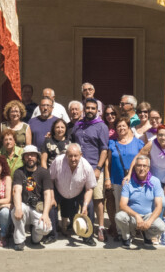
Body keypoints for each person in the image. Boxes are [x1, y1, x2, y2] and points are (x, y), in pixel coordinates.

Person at [128, 124, 165, 245]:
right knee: (158, 203)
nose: (163, 138)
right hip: (157, 176)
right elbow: (139, 157)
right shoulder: (152, 143)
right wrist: (130, 173)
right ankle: (155, 232)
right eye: (161, 134)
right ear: (157, 134)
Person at [71, 98, 109, 242]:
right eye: (88, 108)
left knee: (97, 198)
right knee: (82, 198)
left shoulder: (101, 127)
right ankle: (81, 226)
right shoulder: (78, 125)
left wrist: (99, 168)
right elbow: (71, 141)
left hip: (94, 167)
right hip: (78, 168)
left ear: (97, 110)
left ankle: (99, 227)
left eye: (93, 108)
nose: (90, 111)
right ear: (84, 109)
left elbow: (104, 149)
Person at [104, 117, 144, 238]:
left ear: (128, 127)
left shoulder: (138, 143)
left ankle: (134, 229)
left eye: (123, 126)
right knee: (120, 207)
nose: (121, 128)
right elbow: (107, 163)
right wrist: (107, 179)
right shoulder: (112, 143)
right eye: (118, 126)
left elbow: (144, 160)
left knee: (134, 205)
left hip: (135, 181)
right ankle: (123, 232)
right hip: (117, 180)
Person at [49, 143, 96, 245]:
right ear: (66, 155)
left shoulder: (87, 167)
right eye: (70, 156)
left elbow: (89, 189)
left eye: (76, 156)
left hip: (79, 191)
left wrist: (85, 205)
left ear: (81, 155)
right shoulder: (58, 161)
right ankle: (52, 235)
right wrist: (52, 197)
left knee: (90, 206)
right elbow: (51, 180)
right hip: (59, 189)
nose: (73, 158)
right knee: (50, 204)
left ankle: (88, 237)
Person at [115, 155, 165, 248]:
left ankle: (147, 236)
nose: (141, 168)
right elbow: (122, 205)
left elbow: (159, 206)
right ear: (135, 167)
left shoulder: (155, 182)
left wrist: (149, 222)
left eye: (144, 166)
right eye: (139, 165)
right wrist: (136, 215)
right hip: (132, 217)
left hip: (147, 215)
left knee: (161, 227)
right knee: (119, 216)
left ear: (148, 168)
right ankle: (126, 237)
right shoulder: (128, 182)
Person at [11, 145, 53, 251]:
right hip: (24, 206)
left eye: (33, 155)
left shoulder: (44, 172)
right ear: (24, 158)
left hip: (38, 207)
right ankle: (19, 240)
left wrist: (46, 214)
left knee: (46, 228)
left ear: (37, 157)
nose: (30, 157)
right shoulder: (19, 172)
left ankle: (35, 237)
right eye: (27, 155)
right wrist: (18, 208)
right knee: (17, 208)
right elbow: (17, 191)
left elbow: (48, 194)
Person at [102, 104, 120, 237]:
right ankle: (113, 225)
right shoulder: (103, 128)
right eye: (107, 114)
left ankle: (122, 225)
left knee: (121, 198)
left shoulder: (121, 126)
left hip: (119, 166)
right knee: (109, 197)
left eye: (112, 113)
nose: (110, 116)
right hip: (105, 165)